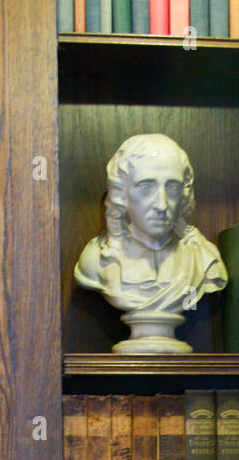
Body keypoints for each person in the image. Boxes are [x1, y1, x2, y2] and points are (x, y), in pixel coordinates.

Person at [74, 134, 227, 320]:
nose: (161, 205)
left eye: (172, 187)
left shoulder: (203, 258)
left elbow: (192, 300)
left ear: (184, 195)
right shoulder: (96, 261)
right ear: (121, 194)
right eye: (146, 187)